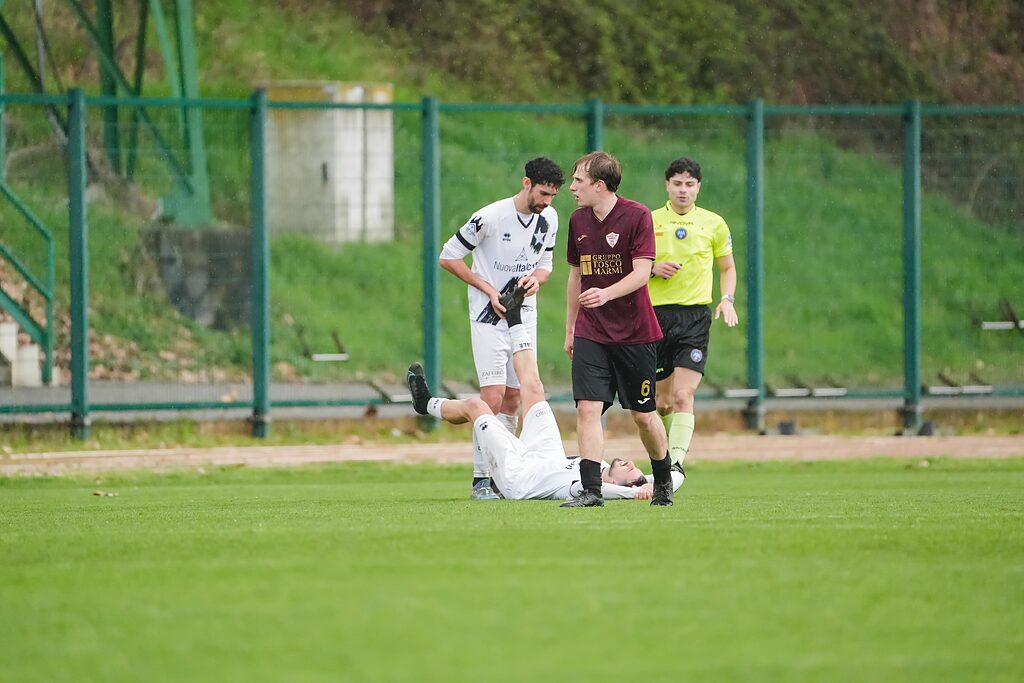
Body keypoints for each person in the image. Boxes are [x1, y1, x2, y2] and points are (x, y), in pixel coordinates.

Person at [406, 286, 684, 502]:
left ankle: (426, 404)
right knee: (534, 388)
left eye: (630, 472)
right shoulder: (601, 467)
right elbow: (674, 477)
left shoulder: (582, 485)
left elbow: (611, 492)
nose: (631, 463)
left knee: (476, 406)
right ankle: (514, 317)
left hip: (519, 476)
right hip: (547, 455)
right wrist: (665, 475)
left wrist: (633, 493)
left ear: (615, 483)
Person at [439, 157, 565, 501]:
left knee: (514, 396)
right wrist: (488, 290)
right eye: (542, 193)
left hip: (523, 316)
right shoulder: (490, 217)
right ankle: (481, 478)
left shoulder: (550, 218)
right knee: (492, 397)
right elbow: (448, 257)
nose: (546, 202)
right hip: (488, 315)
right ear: (526, 183)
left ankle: (502, 475)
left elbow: (545, 266)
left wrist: (536, 280)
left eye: (552, 196)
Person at [563, 151, 675, 508]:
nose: (572, 187)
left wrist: (606, 293)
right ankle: (591, 491)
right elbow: (576, 277)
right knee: (587, 409)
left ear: (599, 185)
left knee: (643, 415)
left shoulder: (637, 216)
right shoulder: (578, 221)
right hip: (591, 331)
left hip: (634, 333)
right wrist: (570, 329)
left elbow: (642, 274)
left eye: (578, 180)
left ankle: (663, 481)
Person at [649, 157, 738, 468]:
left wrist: (727, 299)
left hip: (694, 319)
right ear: (667, 185)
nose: (683, 190)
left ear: (698, 187)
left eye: (689, 184)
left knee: (684, 396)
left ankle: (674, 465)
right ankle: (666, 453)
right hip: (656, 318)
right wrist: (653, 268)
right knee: (663, 404)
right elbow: (631, 266)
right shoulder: (649, 221)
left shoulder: (714, 223)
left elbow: (727, 267)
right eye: (677, 184)